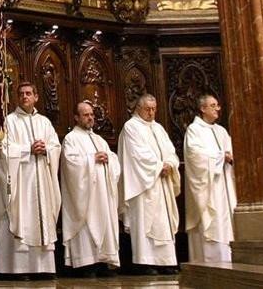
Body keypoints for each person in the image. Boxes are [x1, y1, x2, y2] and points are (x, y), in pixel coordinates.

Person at [0, 81, 60, 278]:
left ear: (36, 97)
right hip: (20, 182)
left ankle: (43, 268)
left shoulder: (44, 122)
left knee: (42, 217)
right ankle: (18, 269)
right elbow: (3, 149)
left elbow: (56, 146)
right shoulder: (9, 121)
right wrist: (27, 150)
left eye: (29, 93)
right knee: (20, 214)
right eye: (21, 93)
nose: (25, 96)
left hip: (41, 180)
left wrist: (46, 149)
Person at [118, 93, 179, 274]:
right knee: (146, 222)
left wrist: (170, 163)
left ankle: (166, 262)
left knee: (163, 223)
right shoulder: (131, 127)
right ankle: (146, 262)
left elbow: (170, 150)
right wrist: (160, 166)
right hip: (143, 185)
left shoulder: (158, 128)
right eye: (147, 109)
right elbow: (138, 155)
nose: (151, 113)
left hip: (161, 182)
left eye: (154, 109)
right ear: (138, 108)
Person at [60, 101, 120, 277]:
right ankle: (87, 263)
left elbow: (114, 161)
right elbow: (70, 164)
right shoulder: (71, 139)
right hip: (85, 195)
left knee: (104, 221)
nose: (90, 118)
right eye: (86, 115)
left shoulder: (99, 139)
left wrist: (109, 159)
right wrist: (90, 159)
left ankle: (103, 261)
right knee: (87, 223)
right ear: (76, 117)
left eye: (92, 114)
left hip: (102, 192)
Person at [183, 94, 237, 264]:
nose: (217, 108)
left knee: (226, 220)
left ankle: (229, 256)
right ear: (203, 108)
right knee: (212, 219)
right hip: (208, 185)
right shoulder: (194, 130)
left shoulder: (221, 131)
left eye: (217, 105)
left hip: (225, 183)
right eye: (213, 105)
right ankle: (210, 260)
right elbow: (194, 155)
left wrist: (230, 157)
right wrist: (221, 157)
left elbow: (232, 152)